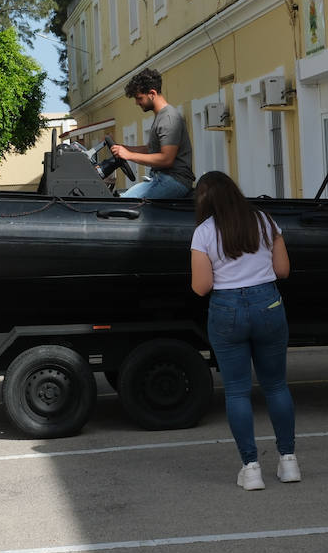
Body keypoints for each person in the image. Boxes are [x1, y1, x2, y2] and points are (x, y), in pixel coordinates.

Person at [190, 170, 298, 490]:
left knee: (237, 391)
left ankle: (251, 469)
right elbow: (283, 270)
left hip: (227, 310)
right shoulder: (264, 221)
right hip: (268, 304)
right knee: (276, 386)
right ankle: (288, 461)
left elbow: (201, 287)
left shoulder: (204, 232)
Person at [112, 68, 196, 199]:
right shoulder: (161, 116)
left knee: (126, 205)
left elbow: (166, 159)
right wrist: (124, 148)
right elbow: (150, 149)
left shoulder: (168, 118)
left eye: (139, 98)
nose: (137, 103)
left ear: (152, 93)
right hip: (160, 178)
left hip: (174, 181)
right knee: (120, 199)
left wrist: (129, 155)